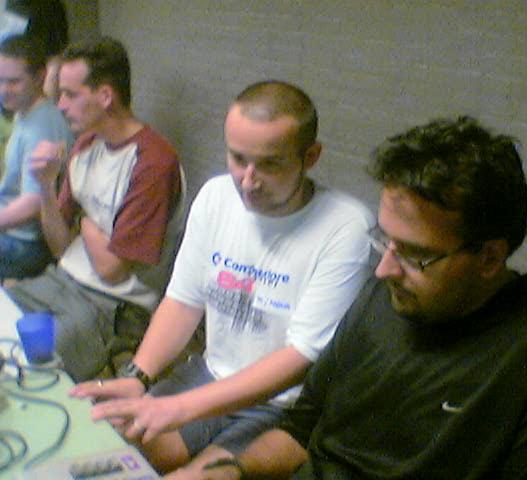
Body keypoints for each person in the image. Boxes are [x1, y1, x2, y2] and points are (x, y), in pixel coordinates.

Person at [192, 117, 527, 480]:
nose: (384, 269)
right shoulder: (383, 299)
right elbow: (300, 431)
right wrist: (236, 470)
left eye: (414, 255)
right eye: (384, 240)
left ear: (489, 258)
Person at [70, 80, 375, 475]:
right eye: (238, 158)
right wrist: (138, 375)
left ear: (310, 157)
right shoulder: (216, 196)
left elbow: (300, 356)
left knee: (195, 476)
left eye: (270, 164)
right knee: (110, 454)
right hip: (208, 375)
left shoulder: (345, 226)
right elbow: (183, 302)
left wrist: (179, 407)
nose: (248, 180)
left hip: (282, 404)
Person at [7, 36, 182, 382]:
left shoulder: (154, 162)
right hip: (61, 280)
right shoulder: (86, 145)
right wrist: (45, 185)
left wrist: (85, 222)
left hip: (116, 306)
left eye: (70, 95)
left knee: (28, 369)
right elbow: (60, 247)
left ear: (105, 96)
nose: (59, 106)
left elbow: (112, 270)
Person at [0, 34, 73, 279]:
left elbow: (33, 203)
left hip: (25, 243)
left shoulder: (43, 126)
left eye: (13, 82)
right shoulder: (25, 111)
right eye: (0, 80)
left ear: (40, 76)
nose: (3, 91)